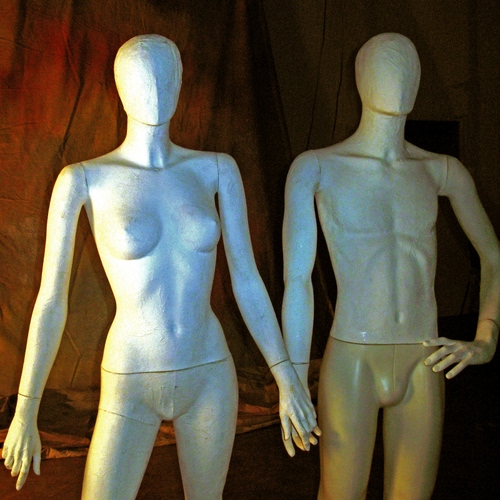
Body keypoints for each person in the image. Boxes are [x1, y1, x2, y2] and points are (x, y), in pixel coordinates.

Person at [2, 34, 320, 499]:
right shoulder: (84, 180)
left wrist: (286, 376)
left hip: (209, 370)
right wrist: (25, 410)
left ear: (180, 81)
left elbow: (247, 278)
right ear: (119, 87)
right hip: (131, 375)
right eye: (139, 76)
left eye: (166, 73)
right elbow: (51, 300)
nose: (154, 86)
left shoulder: (216, 169)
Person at [282, 32, 500, 499]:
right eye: (385, 65)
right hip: (352, 361)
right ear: (360, 77)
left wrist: (486, 339)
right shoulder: (317, 168)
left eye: (408, 67)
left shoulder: (441, 170)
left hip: (425, 358)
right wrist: (293, 378)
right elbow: (297, 281)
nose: (398, 78)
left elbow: (494, 255)